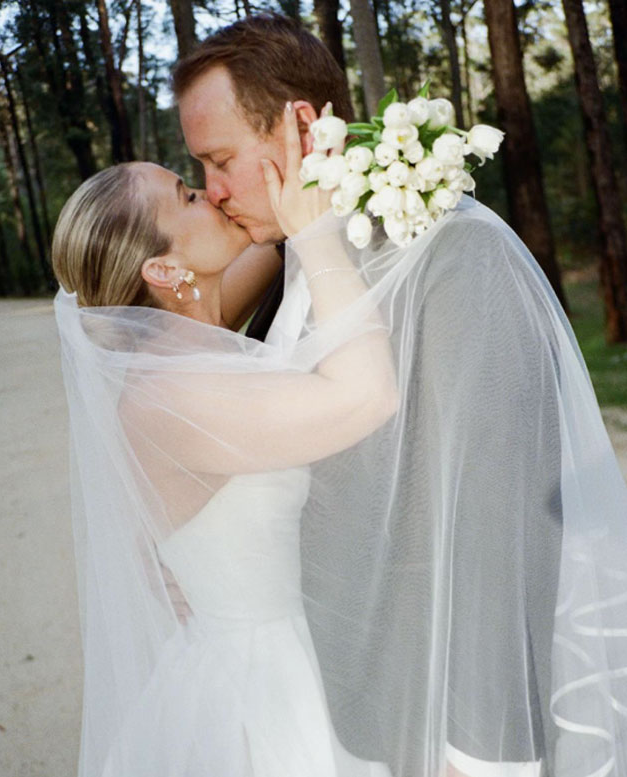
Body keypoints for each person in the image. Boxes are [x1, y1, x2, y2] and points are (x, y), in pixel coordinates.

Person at [53, 13, 627, 777]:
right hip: (316, 698)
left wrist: (481, 752)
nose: (215, 194)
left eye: (215, 161)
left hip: (430, 726)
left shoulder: (452, 258)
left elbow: (501, 520)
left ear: (297, 126)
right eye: (196, 178)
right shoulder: (282, 257)